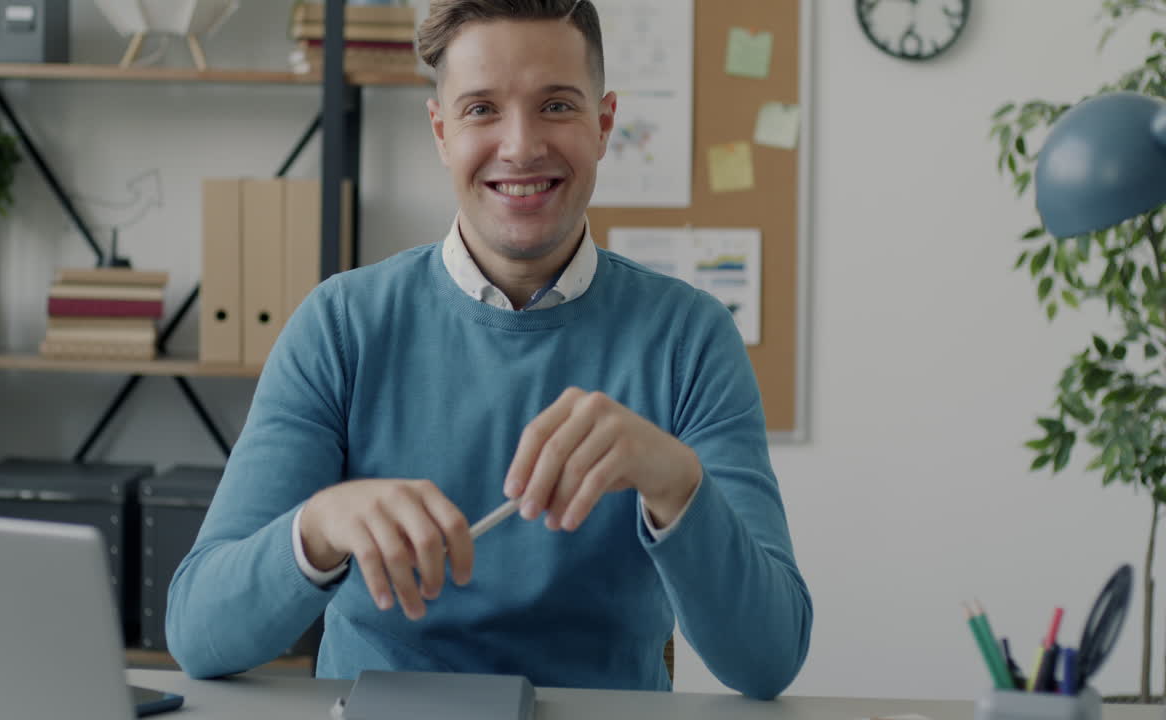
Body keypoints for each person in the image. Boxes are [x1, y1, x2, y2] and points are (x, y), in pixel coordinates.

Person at [167, 0, 812, 699]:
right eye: (481, 110)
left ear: (603, 125)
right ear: (441, 132)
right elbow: (199, 633)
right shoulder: (340, 326)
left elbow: (769, 659)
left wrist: (676, 483)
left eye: (556, 106)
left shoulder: (690, 339)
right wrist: (318, 527)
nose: (521, 146)